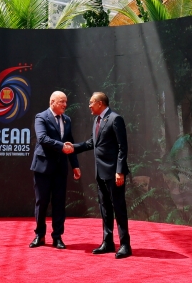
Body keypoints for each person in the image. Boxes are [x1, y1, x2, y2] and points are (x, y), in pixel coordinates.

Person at [65, 91, 131, 259]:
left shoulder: (115, 119)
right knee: (105, 208)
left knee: (119, 208)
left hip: (114, 173)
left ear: (100, 103)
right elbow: (92, 143)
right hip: (100, 173)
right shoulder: (97, 120)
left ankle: (125, 245)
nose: (89, 106)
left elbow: (122, 147)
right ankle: (108, 242)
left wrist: (119, 171)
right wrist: (74, 147)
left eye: (91, 102)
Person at [29, 90, 81, 249]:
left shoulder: (67, 120)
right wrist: (61, 146)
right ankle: (40, 235)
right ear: (52, 102)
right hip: (43, 167)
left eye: (66, 101)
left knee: (59, 203)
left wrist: (75, 165)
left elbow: (70, 143)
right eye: (62, 102)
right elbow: (42, 138)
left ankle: (57, 237)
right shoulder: (41, 117)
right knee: (42, 202)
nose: (65, 105)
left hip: (60, 168)